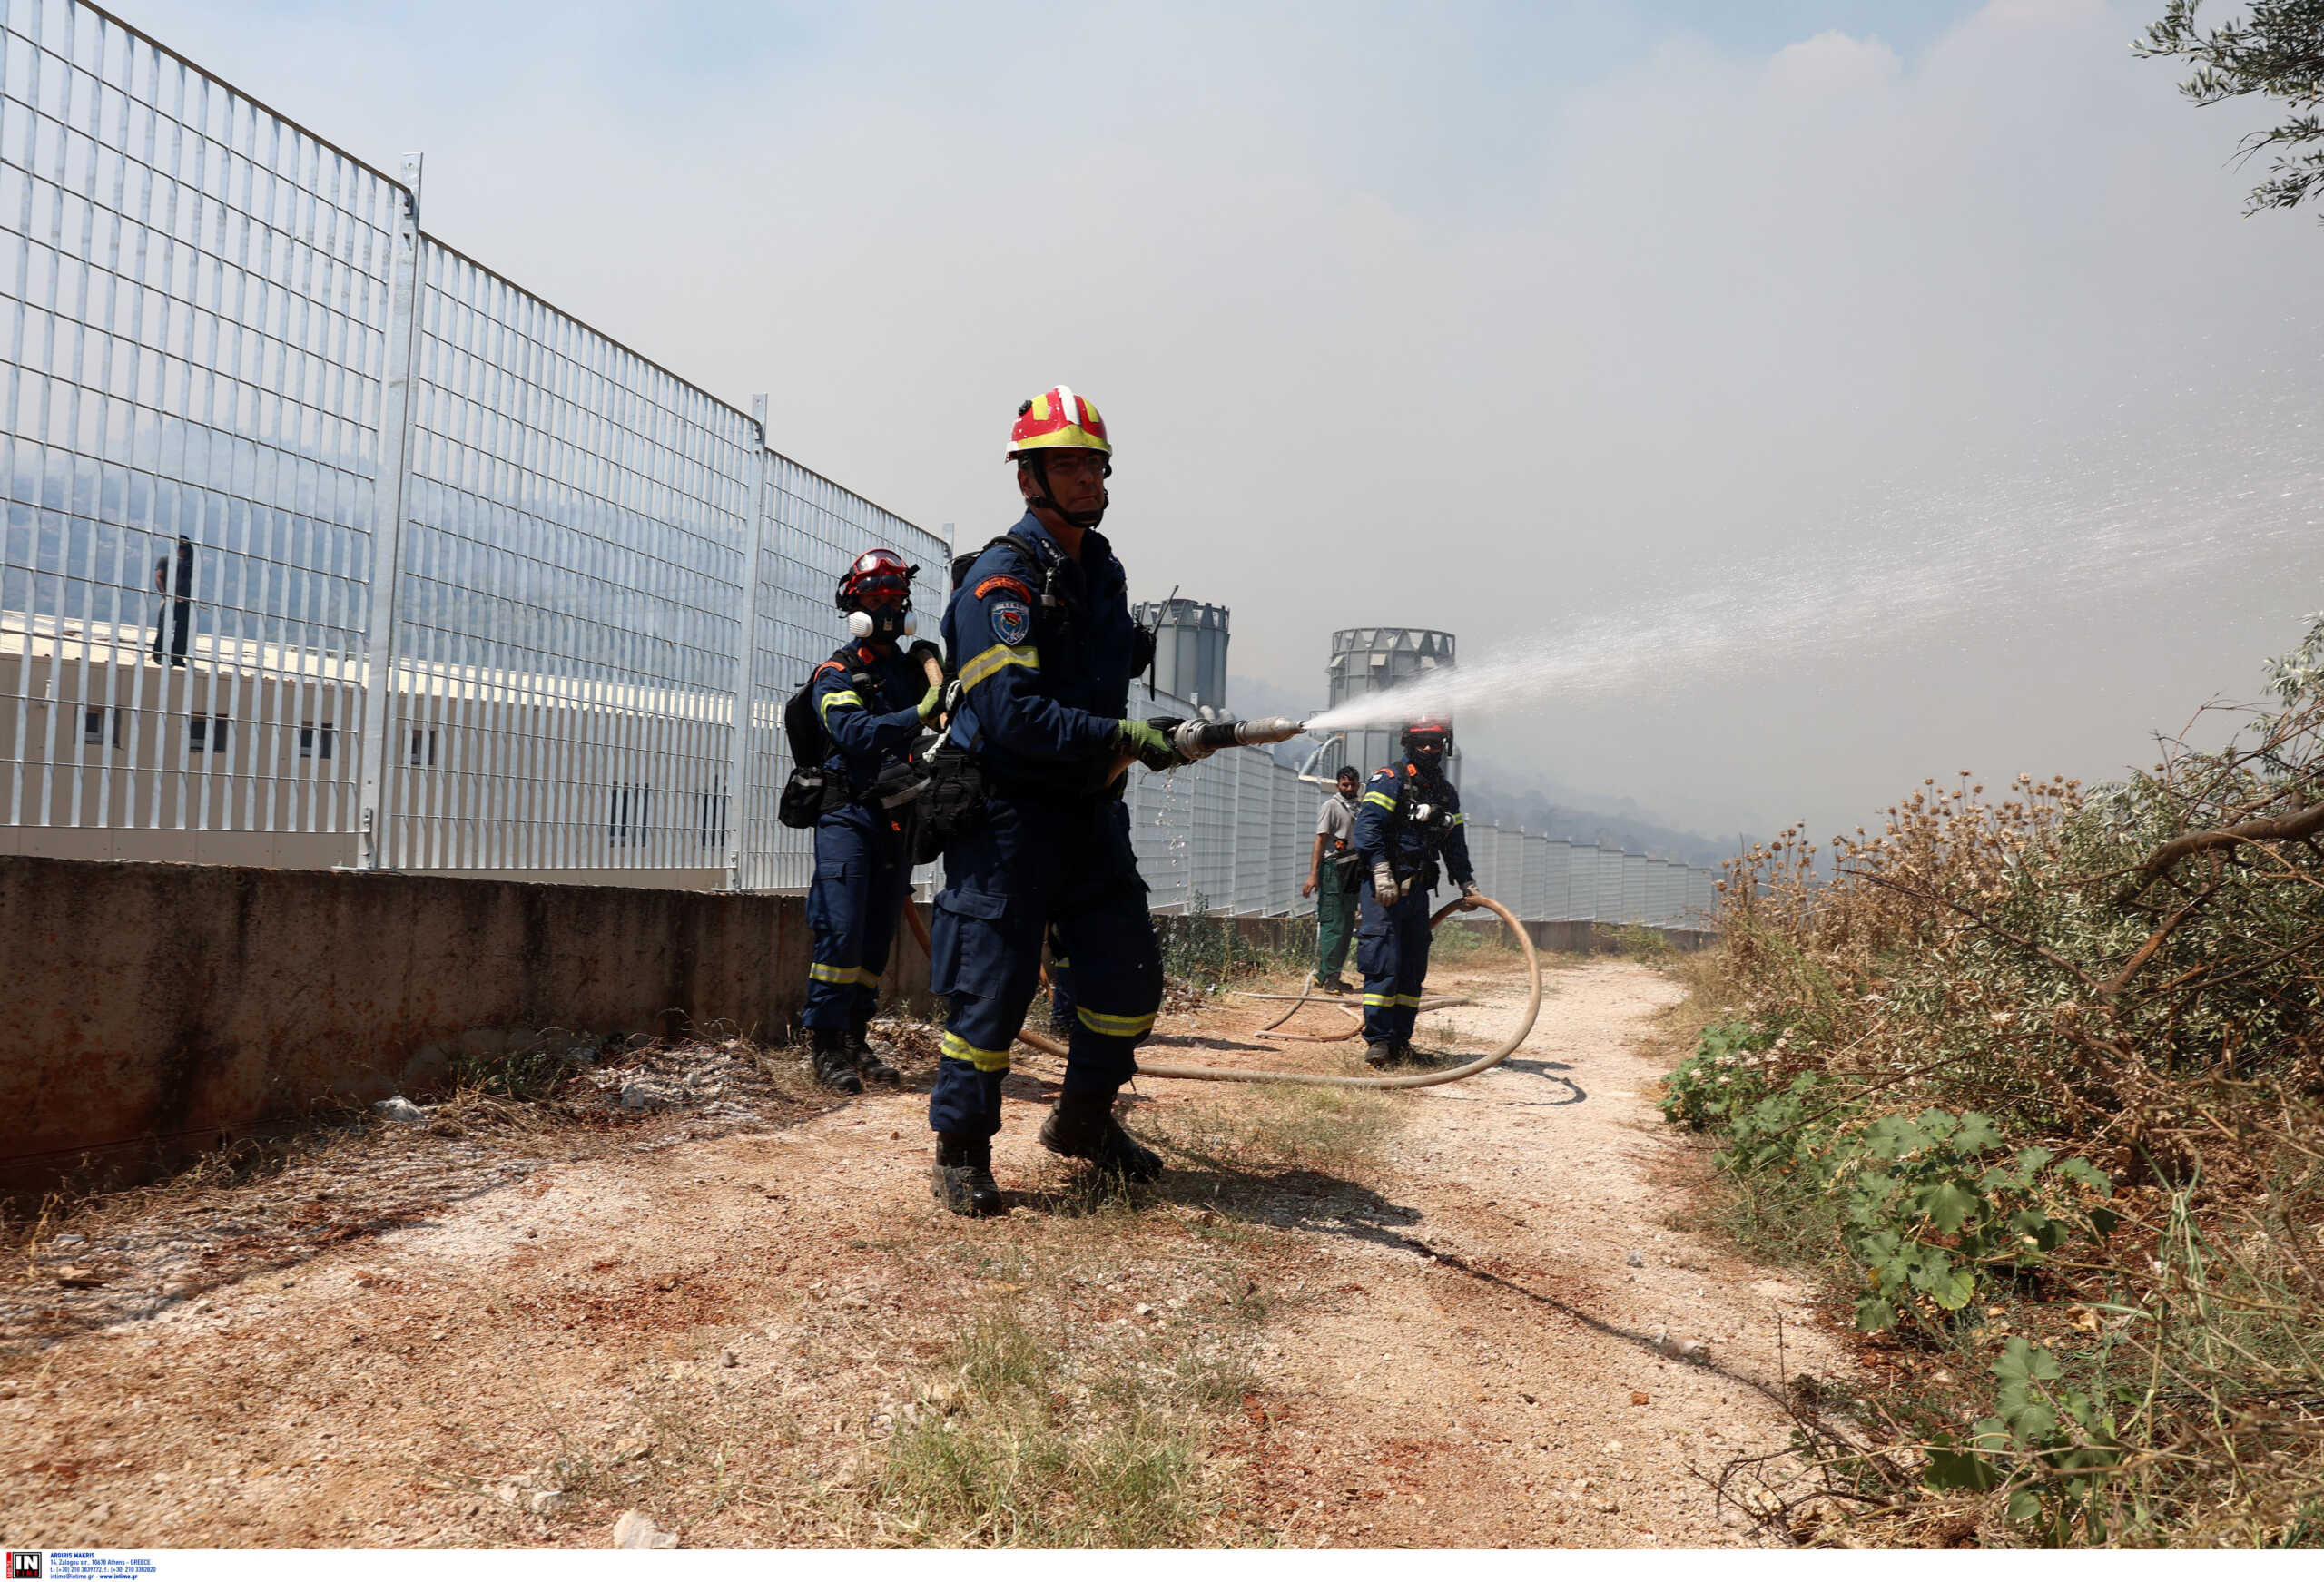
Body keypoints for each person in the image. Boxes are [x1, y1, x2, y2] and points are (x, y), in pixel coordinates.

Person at [924, 386, 1195, 1216]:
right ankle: (962, 1148)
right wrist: (1123, 734)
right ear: (1029, 479)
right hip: (1009, 817)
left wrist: (1135, 742)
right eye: (1067, 462)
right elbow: (1012, 717)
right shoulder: (999, 585)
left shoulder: (1101, 573)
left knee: (1126, 979)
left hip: (1088, 810)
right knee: (991, 991)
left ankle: (1083, 1125)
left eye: (1093, 461)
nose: (1086, 476)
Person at [803, 549, 946, 1092]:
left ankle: (855, 1037)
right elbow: (856, 735)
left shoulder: (913, 671)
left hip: (898, 818)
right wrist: (921, 712)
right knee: (840, 930)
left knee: (875, 939)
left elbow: (948, 711)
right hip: (847, 814)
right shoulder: (836, 672)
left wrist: (942, 675)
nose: (886, 605)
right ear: (852, 602)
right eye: (873, 596)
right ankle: (825, 1045)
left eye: (894, 595)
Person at [1350, 716, 1480, 1067]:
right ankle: (1378, 1042)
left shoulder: (1444, 792)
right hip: (1385, 889)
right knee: (1383, 962)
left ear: (1444, 747)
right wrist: (1379, 871)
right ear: (1408, 743)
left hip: (1418, 889)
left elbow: (1455, 841)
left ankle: (1400, 1042)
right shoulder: (1390, 780)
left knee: (1411, 967)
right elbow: (1367, 828)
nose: (1428, 748)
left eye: (1434, 743)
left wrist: (1465, 881)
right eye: (1421, 742)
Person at [1302, 766, 1363, 993]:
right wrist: (1313, 875)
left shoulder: (1359, 807)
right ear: (1338, 785)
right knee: (1333, 924)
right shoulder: (1331, 806)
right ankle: (1329, 979)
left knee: (1347, 924)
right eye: (1345, 785)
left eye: (1353, 784)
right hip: (1333, 868)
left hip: (1352, 868)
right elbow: (1320, 840)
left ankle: (1330, 974)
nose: (1349, 788)